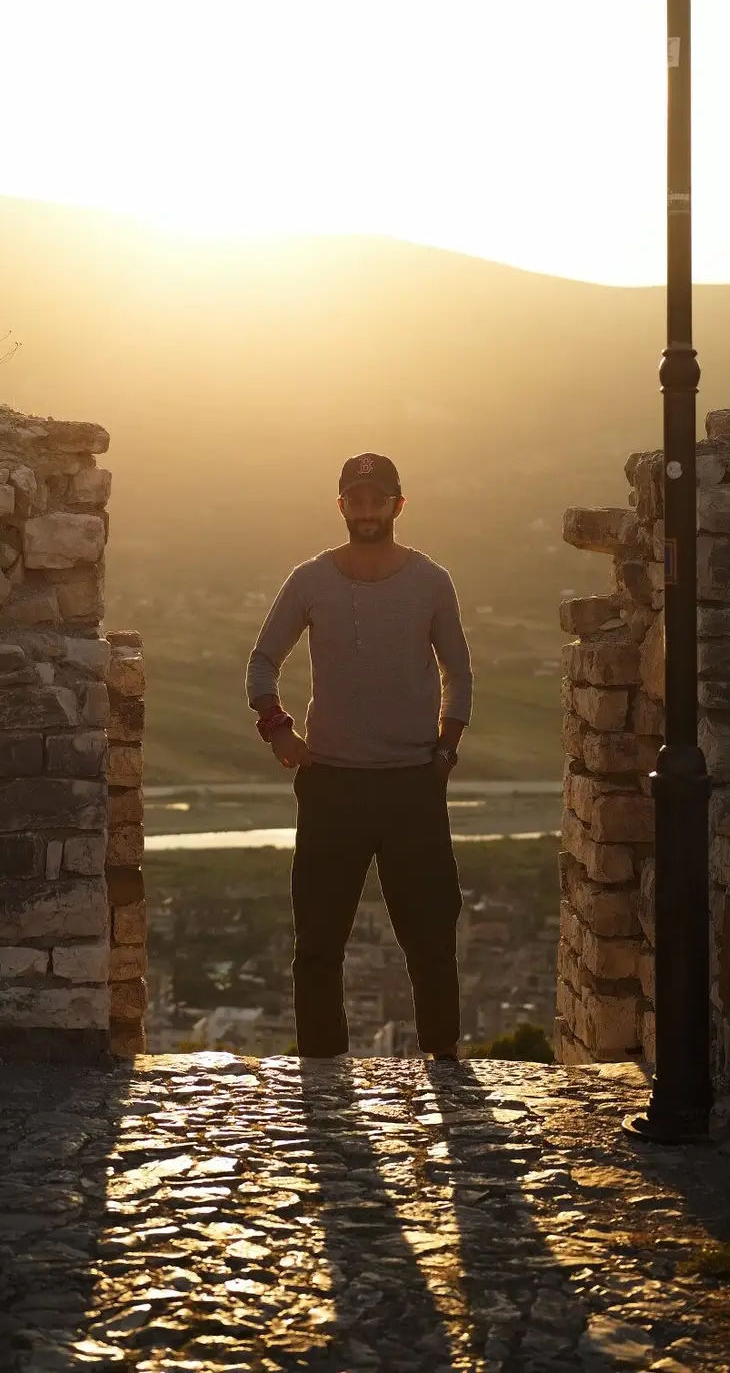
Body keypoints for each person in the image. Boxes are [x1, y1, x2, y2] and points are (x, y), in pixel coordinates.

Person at [246, 452, 472, 1059]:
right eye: (357, 500)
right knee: (318, 940)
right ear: (342, 506)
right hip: (332, 785)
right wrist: (278, 730)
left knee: (429, 934)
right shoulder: (311, 580)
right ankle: (322, 1067)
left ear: (398, 505)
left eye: (379, 500)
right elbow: (263, 661)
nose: (368, 512)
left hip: (411, 785)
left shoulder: (430, 580)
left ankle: (443, 1060)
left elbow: (459, 672)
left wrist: (446, 750)